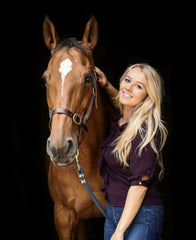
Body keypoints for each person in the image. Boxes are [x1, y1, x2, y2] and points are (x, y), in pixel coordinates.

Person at [95, 63, 168, 240]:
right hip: (113, 215)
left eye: (138, 86)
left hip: (143, 217)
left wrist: (119, 231)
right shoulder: (120, 121)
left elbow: (139, 185)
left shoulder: (145, 129)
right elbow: (123, 97)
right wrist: (106, 85)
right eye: (127, 80)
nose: (128, 87)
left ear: (148, 95)